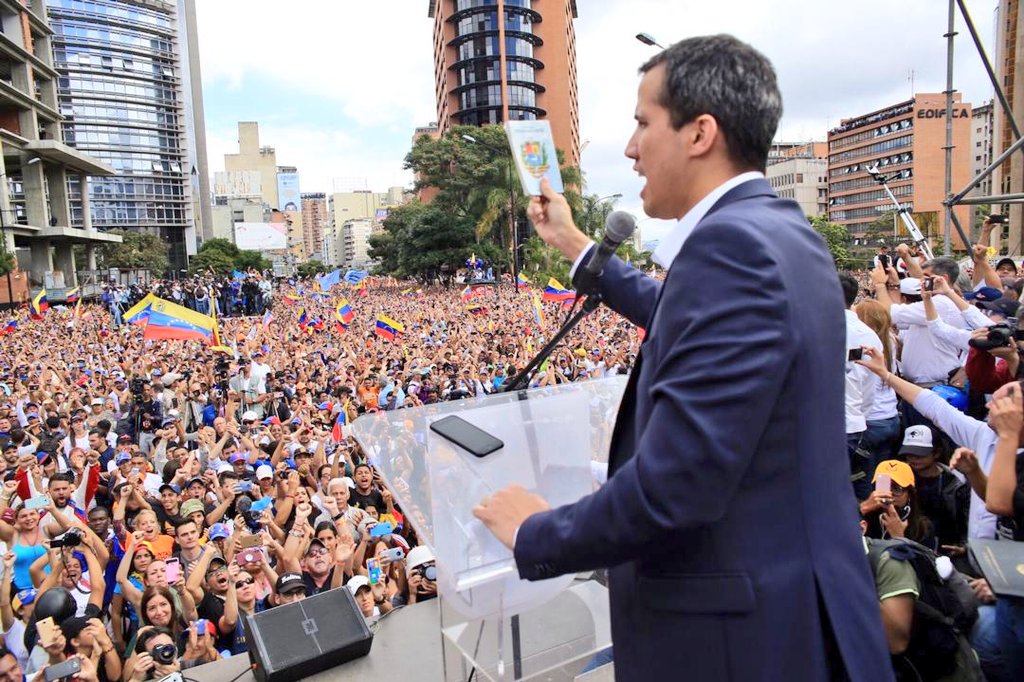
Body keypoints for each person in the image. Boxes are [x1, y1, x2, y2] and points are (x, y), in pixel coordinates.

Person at [472, 35, 891, 680]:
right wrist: (577, 244)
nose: (631, 148)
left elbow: (676, 486)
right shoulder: (779, 230)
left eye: (643, 123)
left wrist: (537, 530)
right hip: (790, 609)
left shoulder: (730, 250)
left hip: (741, 644)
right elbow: (690, 322)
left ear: (700, 133)